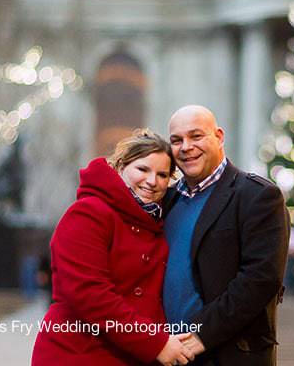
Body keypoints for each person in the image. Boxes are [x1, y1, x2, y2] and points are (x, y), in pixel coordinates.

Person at [32, 129, 194, 366]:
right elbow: (90, 294)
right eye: (143, 169)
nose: (152, 181)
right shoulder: (89, 213)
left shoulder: (156, 223)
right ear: (120, 167)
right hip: (80, 353)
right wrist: (155, 343)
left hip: (129, 355)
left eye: (162, 175)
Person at [162, 105, 289, 366]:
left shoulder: (257, 195)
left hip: (228, 354)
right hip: (169, 352)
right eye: (177, 140)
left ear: (219, 137)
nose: (186, 147)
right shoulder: (167, 199)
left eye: (196, 136)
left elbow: (261, 278)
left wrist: (202, 334)